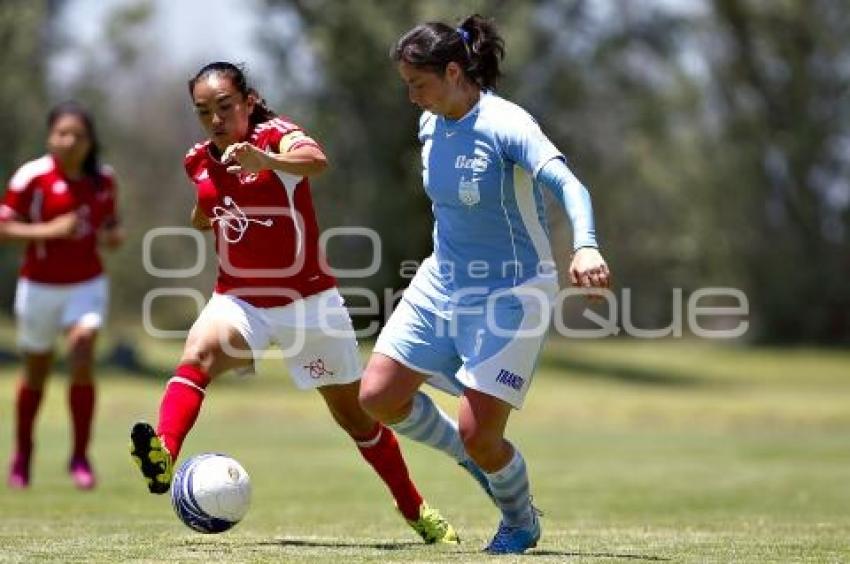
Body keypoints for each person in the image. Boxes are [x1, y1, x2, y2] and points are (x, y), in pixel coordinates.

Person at [129, 61, 466, 544]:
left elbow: (315, 161)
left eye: (226, 107)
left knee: (356, 418)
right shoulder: (198, 160)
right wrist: (207, 213)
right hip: (239, 299)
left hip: (310, 304)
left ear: (247, 102)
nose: (216, 119)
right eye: (204, 112)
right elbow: (206, 210)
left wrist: (266, 163)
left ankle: (416, 510)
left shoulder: (277, 137)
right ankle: (164, 452)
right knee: (198, 354)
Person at [358, 15, 612, 554]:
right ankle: (472, 461)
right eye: (406, 85)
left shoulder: (507, 124)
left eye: (418, 84)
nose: (411, 97)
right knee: (378, 395)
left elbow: (570, 184)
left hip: (512, 292)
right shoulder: (430, 123)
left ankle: (520, 520)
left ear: (454, 72)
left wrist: (585, 244)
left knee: (483, 435)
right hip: (442, 280)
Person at [2, 102, 124, 490]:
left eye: (78, 135)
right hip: (38, 287)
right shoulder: (32, 177)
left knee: (83, 349)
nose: (70, 141)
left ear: (91, 141)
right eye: (62, 133)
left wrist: (112, 237)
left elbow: (110, 228)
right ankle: (23, 455)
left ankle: (80, 456)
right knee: (36, 370)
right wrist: (49, 231)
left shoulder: (104, 180)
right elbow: (4, 228)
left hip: (86, 285)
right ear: (50, 137)